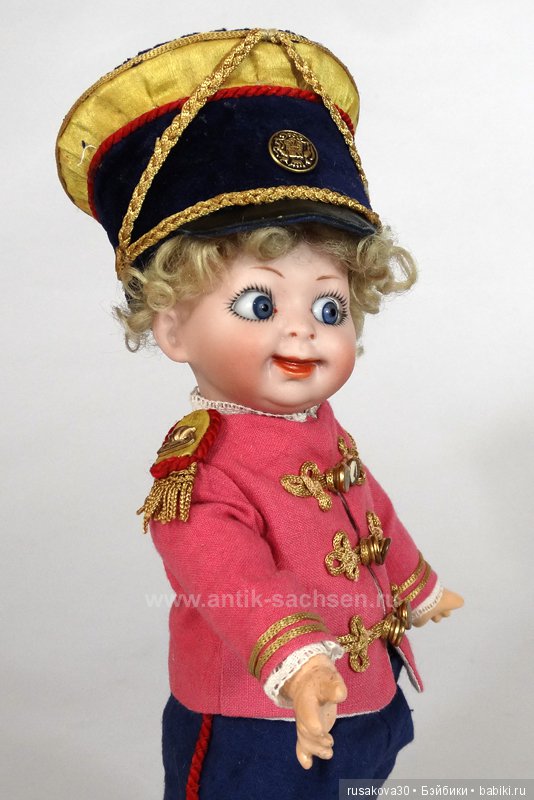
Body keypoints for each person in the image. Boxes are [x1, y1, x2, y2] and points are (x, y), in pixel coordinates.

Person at [56, 28, 463, 799]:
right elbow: (225, 573)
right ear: (173, 328)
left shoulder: (323, 428)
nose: (302, 331)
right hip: (260, 718)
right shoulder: (202, 466)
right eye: (259, 304)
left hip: (364, 694)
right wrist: (298, 663)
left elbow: (368, 509)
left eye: (329, 307)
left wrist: (413, 586)